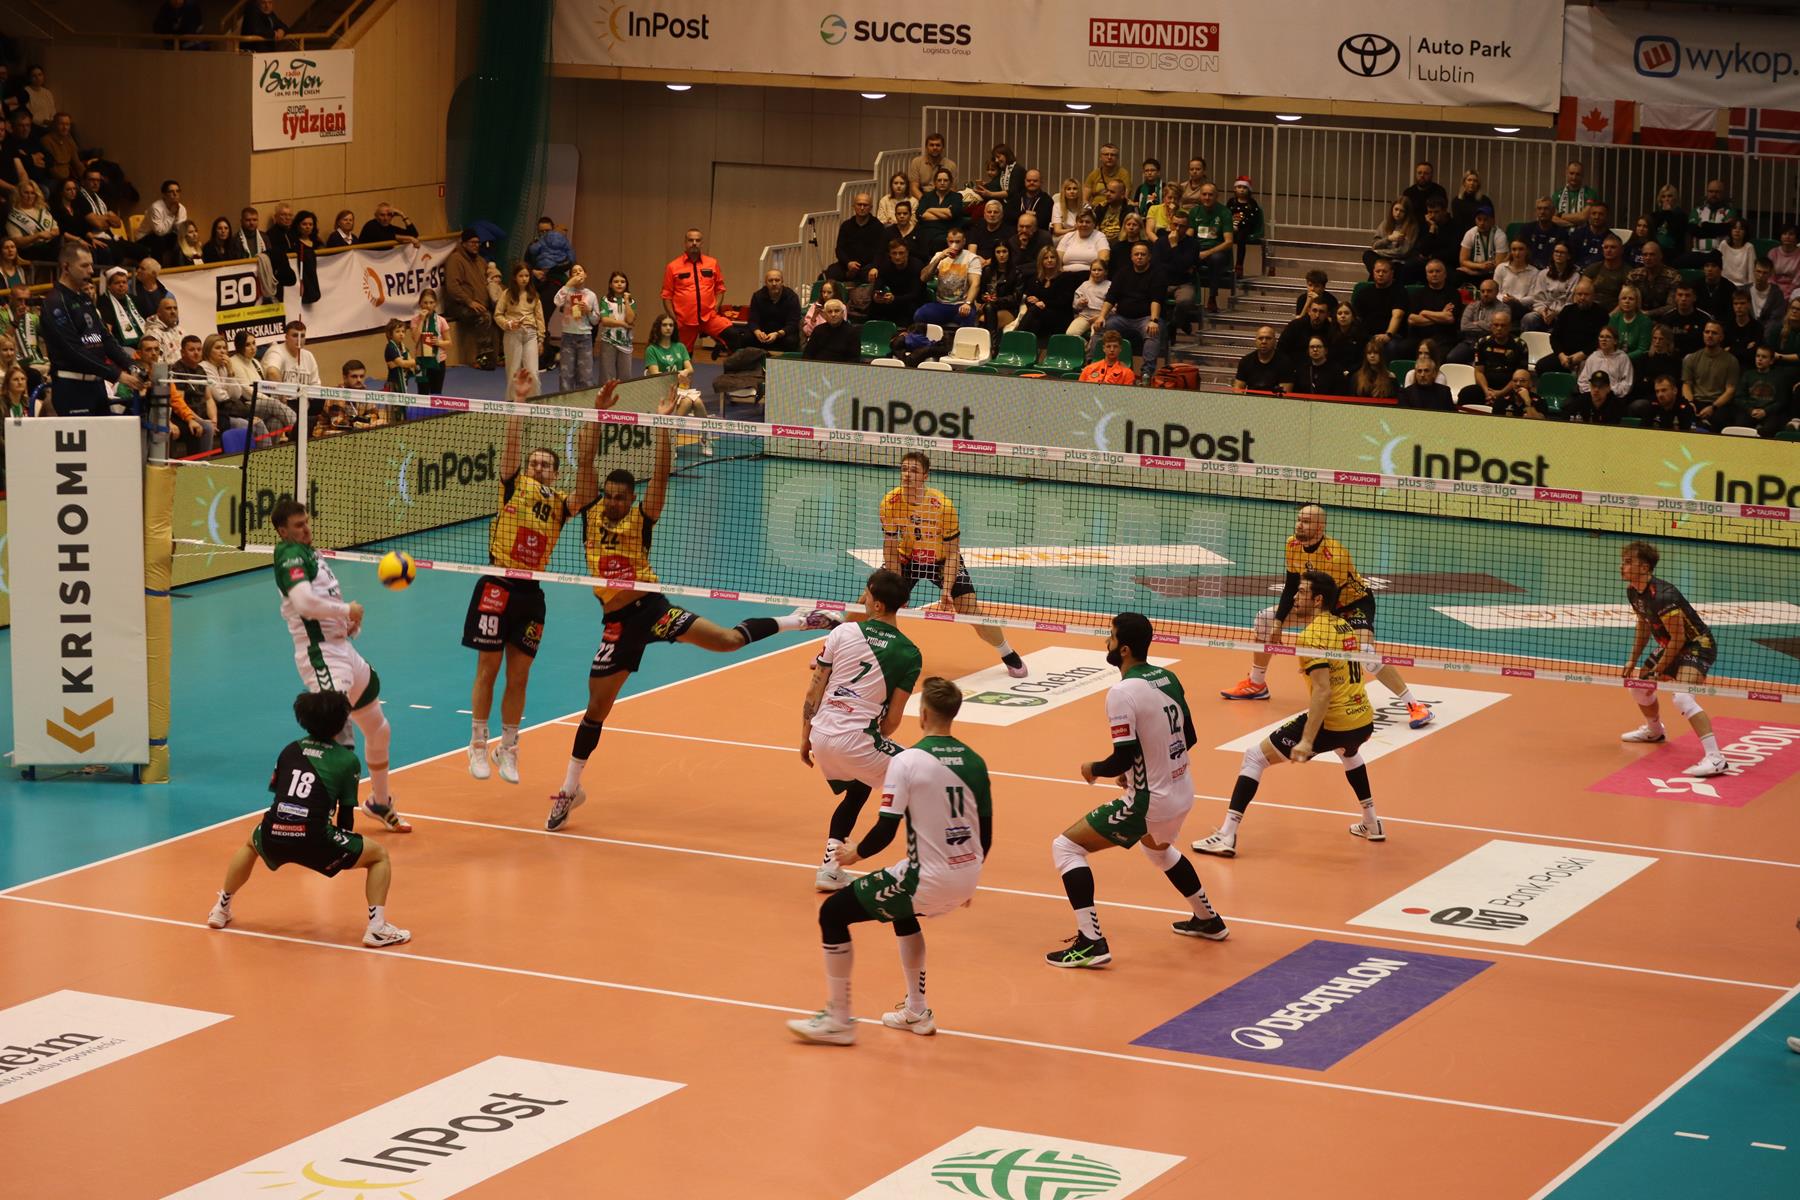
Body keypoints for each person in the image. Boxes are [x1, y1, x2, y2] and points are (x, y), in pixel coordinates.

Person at [545, 382, 838, 831]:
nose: (615, 501)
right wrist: (598, 413)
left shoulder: (643, 517)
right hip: (617, 624)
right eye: (610, 495)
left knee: (727, 641)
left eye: (622, 496)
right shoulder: (590, 513)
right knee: (596, 709)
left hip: (653, 610)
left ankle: (800, 619)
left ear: (632, 498)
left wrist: (664, 425)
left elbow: (661, 474)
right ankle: (571, 788)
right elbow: (585, 460)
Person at [787, 676, 989, 1045]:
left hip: (926, 878)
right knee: (902, 911)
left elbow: (885, 830)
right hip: (966, 874)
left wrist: (854, 853)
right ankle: (916, 1010)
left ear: (923, 714)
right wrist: (968, 878)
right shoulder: (975, 761)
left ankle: (838, 1020)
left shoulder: (907, 761)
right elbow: (985, 831)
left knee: (832, 913)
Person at [1046, 612, 1226, 968]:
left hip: (1149, 802)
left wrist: (1094, 769)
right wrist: (1140, 770)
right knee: (1158, 851)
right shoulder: (1167, 677)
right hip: (1182, 790)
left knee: (1065, 847)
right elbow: (1188, 737)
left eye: (1111, 637)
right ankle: (1208, 919)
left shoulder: (1122, 692)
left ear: (1124, 649)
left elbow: (1121, 757)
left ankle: (1091, 942)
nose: (1107, 642)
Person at [461, 370, 608, 785]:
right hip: (496, 585)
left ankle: (508, 748)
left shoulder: (561, 504)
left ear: (555, 474)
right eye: (534, 462)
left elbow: (587, 485)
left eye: (546, 464)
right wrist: (520, 401)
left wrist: (596, 418)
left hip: (530, 595)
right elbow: (511, 449)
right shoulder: (514, 486)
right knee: (487, 669)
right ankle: (477, 744)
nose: (538, 466)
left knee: (519, 676)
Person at [1197, 572, 1385, 858]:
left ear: (1318, 599)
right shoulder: (1345, 626)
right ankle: (1371, 822)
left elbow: (1322, 692)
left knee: (1254, 757)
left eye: (1302, 592)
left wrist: (1307, 740)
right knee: (1348, 753)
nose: (1294, 598)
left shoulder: (1310, 636)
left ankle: (1226, 834)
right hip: (1362, 720)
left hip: (1332, 723)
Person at [206, 690, 410, 947]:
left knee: (250, 844)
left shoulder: (289, 750)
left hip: (273, 830)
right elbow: (346, 817)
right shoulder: (347, 760)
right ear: (341, 723)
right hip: (315, 838)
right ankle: (377, 927)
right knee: (379, 856)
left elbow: (279, 793)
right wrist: (344, 848)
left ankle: (221, 908)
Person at [1220, 505, 1433, 730]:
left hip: (1351, 604)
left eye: (1306, 522)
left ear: (1320, 527)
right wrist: (1278, 622)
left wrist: (1314, 654)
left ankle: (1414, 705)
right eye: (1299, 520)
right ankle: (1257, 684)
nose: (1300, 525)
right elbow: (1291, 586)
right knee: (1265, 619)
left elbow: (1330, 607)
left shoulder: (1335, 556)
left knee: (1365, 653)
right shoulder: (1292, 544)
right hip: (1315, 602)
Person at [268, 499, 408, 832]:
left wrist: (347, 625)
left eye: (307, 521)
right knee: (337, 740)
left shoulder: (311, 553)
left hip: (342, 650)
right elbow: (304, 603)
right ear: (282, 531)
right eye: (298, 525)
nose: (306, 528)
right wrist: (346, 610)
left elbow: (322, 601)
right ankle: (319, 819)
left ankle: (379, 802)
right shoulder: (289, 554)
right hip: (321, 655)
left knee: (379, 729)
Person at [800, 568, 922, 892]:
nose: (863, 599)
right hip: (857, 740)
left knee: (859, 789)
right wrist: (869, 739)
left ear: (878, 605)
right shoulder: (909, 653)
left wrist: (804, 737)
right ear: (903, 604)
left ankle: (830, 869)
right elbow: (893, 720)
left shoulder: (842, 633)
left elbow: (814, 688)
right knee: (925, 773)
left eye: (866, 594)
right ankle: (925, 870)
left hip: (820, 734)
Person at [1618, 541, 1727, 777]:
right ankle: (1655, 731)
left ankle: (1715, 758)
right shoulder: (1633, 592)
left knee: (1683, 696)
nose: (1621, 567)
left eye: (1628, 562)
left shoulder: (1663, 596)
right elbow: (1643, 625)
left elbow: (1679, 639)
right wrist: (1632, 660)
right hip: (1672, 645)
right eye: (1623, 562)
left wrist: (1659, 668)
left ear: (1644, 567)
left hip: (1697, 646)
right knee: (1638, 687)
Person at [41, 243, 142, 416]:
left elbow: (105, 338)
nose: (91, 271)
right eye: (84, 265)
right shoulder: (55, 302)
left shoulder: (85, 299)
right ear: (66, 267)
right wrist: (117, 374)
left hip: (96, 385)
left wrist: (131, 365)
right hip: (72, 388)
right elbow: (73, 350)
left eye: (91, 265)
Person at [1092, 240, 1164, 372]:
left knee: (1153, 332)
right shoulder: (1122, 272)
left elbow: (1156, 299)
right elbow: (1111, 297)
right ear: (1131, 257)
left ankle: (1146, 372)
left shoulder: (1157, 274)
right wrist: (1101, 316)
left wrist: (1154, 320)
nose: (1139, 257)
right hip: (1121, 317)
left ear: (1149, 257)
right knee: (1100, 327)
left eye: (1143, 254)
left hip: (1146, 318)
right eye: (1136, 254)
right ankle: (1094, 365)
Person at [660, 227, 730, 356]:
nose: (694, 243)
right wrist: (674, 318)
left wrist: (715, 308)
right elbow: (666, 295)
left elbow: (720, 288)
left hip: (709, 317)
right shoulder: (673, 266)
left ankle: (722, 346)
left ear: (701, 243)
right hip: (684, 320)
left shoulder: (712, 263)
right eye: (690, 240)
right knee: (683, 357)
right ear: (685, 243)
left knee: (733, 335)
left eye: (697, 240)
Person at [444, 228, 497, 369]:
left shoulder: (481, 261)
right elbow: (452, 287)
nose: (476, 245)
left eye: (478, 242)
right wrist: (469, 301)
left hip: (480, 303)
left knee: (501, 313)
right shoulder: (455, 259)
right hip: (458, 305)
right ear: (464, 243)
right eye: (472, 242)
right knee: (484, 316)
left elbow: (490, 280)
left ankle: (501, 354)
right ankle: (483, 357)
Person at [1538, 278, 1606, 376]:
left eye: (1586, 294)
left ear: (1593, 296)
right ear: (1574, 295)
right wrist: (1561, 355)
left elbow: (1599, 341)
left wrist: (1582, 354)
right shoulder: (1567, 310)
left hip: (1588, 356)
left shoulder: (1601, 314)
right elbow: (1554, 337)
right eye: (1579, 294)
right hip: (1564, 356)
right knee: (1542, 366)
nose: (1582, 297)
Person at [726, 267, 803, 351]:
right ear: (766, 283)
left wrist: (777, 334)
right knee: (746, 338)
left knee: (791, 341)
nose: (774, 283)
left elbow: (793, 323)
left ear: (782, 282)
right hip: (763, 333)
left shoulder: (792, 297)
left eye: (777, 280)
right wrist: (757, 331)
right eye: (770, 280)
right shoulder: (757, 296)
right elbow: (752, 320)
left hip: (783, 333)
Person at [1683, 321, 1740, 429]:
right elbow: (1686, 384)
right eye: (1707, 332)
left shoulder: (1731, 361)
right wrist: (1690, 403)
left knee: (1719, 419)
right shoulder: (1692, 358)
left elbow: (1730, 390)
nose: (1709, 335)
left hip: (1718, 404)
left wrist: (1713, 407)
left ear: (1721, 337)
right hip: (1696, 401)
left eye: (1714, 333)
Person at [551, 265, 600, 390]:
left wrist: (588, 310)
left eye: (580, 271)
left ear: (585, 274)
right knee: (566, 375)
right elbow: (557, 302)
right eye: (574, 272)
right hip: (568, 336)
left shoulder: (591, 295)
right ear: (571, 276)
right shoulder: (567, 291)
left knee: (585, 375)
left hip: (585, 337)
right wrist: (568, 285)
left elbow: (595, 320)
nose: (578, 273)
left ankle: (584, 401)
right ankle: (565, 401)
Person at [1187, 182, 1233, 312]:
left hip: (1217, 250)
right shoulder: (1194, 212)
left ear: (1216, 196)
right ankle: (1190, 300)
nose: (1207, 197)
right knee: (1185, 258)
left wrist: (1207, 253)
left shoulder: (1224, 212)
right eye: (1204, 194)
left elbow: (1228, 242)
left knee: (1215, 259)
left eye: (1210, 195)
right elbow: (1189, 235)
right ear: (1200, 196)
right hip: (1198, 249)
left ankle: (1212, 297)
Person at [495, 262, 544, 384]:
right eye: (521, 276)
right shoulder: (507, 294)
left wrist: (541, 339)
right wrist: (508, 324)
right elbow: (498, 314)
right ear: (515, 277)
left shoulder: (534, 295)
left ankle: (533, 397)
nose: (524, 279)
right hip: (513, 333)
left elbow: (539, 318)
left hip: (530, 334)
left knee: (533, 373)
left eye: (527, 276)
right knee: (513, 372)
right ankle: (513, 397)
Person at [1731, 344, 1789, 437]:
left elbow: (1781, 401)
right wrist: (1750, 410)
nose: (1759, 359)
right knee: (1740, 426)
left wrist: (1765, 411)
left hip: (1769, 413)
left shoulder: (1779, 377)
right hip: (1750, 411)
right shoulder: (1748, 375)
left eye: (1764, 357)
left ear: (1771, 361)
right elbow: (1739, 398)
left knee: (1770, 427)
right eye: (1758, 356)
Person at [867, 239, 926, 328]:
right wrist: (876, 296)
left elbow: (915, 294)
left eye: (901, 253)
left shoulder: (917, 266)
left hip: (913, 301)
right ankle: (872, 330)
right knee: (874, 305)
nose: (897, 257)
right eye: (894, 253)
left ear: (907, 253)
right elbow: (878, 284)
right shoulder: (886, 265)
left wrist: (895, 299)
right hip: (895, 299)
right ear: (890, 254)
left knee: (910, 309)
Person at [1445, 278, 1504, 364]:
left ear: (1497, 292)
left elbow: (1494, 328)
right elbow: (1464, 326)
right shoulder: (1472, 306)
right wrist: (1485, 325)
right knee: (1452, 358)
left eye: (1489, 291)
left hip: (1492, 342)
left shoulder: (1503, 308)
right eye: (1483, 291)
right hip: (1470, 341)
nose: (1485, 294)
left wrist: (1478, 323)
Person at [828, 192, 883, 283]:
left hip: (868, 266)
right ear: (853, 206)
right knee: (830, 273)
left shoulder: (878, 226)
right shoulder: (846, 225)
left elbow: (880, 251)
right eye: (859, 204)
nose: (862, 208)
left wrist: (875, 267)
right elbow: (839, 249)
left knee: (875, 276)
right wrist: (848, 263)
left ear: (871, 207)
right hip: (847, 264)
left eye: (865, 205)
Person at [1353, 257, 1407, 350]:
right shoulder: (1364, 293)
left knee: (1391, 346)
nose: (1380, 274)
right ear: (1373, 272)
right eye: (1378, 271)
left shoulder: (1399, 292)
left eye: (1384, 272)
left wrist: (1388, 335)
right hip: (1367, 335)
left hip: (1391, 336)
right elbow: (1357, 318)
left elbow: (1397, 316)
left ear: (1391, 273)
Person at [1525, 242, 1579, 332]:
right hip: (1543, 312)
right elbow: (1538, 299)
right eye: (1556, 251)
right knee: (1529, 318)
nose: (1558, 254)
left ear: (1568, 256)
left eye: (1562, 252)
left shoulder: (1575, 276)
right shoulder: (1543, 274)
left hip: (1563, 313)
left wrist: (1555, 313)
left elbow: (1571, 302)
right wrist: (1543, 311)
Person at [594, 270, 635, 383]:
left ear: (626, 284)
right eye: (616, 281)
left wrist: (626, 301)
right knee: (607, 376)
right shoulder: (605, 300)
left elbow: (630, 319)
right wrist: (623, 324)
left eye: (622, 281)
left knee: (625, 376)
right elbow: (605, 320)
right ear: (610, 285)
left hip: (625, 342)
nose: (619, 284)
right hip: (609, 341)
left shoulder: (631, 301)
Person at [915, 168, 965, 257]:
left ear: (950, 182)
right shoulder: (927, 196)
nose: (942, 183)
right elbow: (921, 214)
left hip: (946, 231)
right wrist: (945, 213)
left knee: (940, 241)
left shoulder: (956, 197)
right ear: (935, 182)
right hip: (926, 230)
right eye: (939, 180)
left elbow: (952, 214)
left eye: (945, 180)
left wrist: (930, 209)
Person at [1363, 197, 1417, 278]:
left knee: (1391, 267)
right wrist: (1389, 239)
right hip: (1383, 259)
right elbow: (1375, 245)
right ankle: (1380, 276)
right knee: (1367, 255)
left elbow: (1403, 252)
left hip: (1398, 261)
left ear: (1406, 213)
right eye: (1396, 209)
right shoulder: (1385, 223)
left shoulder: (1412, 227)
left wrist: (1379, 252)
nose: (1398, 213)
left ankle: (1379, 277)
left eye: (1402, 211)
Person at [410, 288, 449, 396]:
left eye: (431, 302)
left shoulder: (441, 321)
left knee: (436, 393)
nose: (428, 306)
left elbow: (449, 343)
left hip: (438, 362)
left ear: (435, 304)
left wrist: (439, 343)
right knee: (422, 393)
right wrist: (422, 320)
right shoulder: (415, 321)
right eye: (425, 302)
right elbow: (415, 339)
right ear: (420, 304)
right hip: (421, 363)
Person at [1577, 325, 1632, 400]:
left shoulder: (1623, 358)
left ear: (1615, 341)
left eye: (1608, 337)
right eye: (1601, 337)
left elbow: (1626, 383)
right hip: (1592, 397)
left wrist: (1607, 392)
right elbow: (1582, 381)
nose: (1604, 339)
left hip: (1613, 397)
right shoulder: (1593, 357)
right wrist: (1594, 392)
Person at [261, 320, 320, 386]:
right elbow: (272, 373)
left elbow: (315, 384)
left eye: (302, 336)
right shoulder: (276, 351)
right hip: (278, 392)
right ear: (286, 337)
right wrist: (284, 392)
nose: (299, 339)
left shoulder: (309, 356)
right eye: (295, 335)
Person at [1630, 372, 1696, 431]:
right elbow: (1643, 431)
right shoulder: (1652, 406)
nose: (1660, 395)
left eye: (1664, 390)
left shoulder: (1684, 408)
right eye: (1657, 391)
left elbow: (1689, 435)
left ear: (1675, 390)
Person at [1456, 205, 1504, 284]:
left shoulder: (1500, 236)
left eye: (1485, 220)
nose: (1482, 223)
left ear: (1492, 221)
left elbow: (1499, 265)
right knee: (1458, 274)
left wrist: (1477, 272)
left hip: (1492, 274)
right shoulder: (1470, 233)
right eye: (1479, 219)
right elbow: (1463, 261)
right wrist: (1480, 266)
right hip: (1474, 270)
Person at [802, 297, 859, 362]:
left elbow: (854, 359)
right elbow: (808, 355)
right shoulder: (818, 330)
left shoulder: (852, 332)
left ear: (842, 313)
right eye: (830, 312)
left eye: (836, 311)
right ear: (825, 315)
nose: (833, 314)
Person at [521, 216, 570, 292]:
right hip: (536, 283)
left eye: (547, 231)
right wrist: (534, 272)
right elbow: (525, 265)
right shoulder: (532, 245)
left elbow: (568, 264)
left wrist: (550, 268)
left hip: (556, 281)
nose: (544, 234)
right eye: (541, 231)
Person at [642, 313, 692, 385]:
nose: (668, 328)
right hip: (660, 386)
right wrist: (675, 377)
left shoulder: (680, 347)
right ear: (658, 327)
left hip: (679, 386)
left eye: (671, 325)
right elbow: (655, 374)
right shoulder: (651, 349)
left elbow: (690, 369)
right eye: (664, 325)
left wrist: (685, 371)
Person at [1234, 325, 1284, 393]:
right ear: (1256, 341)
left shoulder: (1284, 362)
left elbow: (1285, 393)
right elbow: (1238, 388)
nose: (1264, 341)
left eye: (1268, 338)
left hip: (1274, 399)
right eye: (1260, 338)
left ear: (1275, 341)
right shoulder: (1246, 361)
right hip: (1250, 399)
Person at [1523, 197, 1568, 269]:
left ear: (1553, 211)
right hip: (1528, 269)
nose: (1542, 212)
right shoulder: (1527, 229)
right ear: (1536, 211)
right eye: (1539, 208)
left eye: (1546, 209)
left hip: (1551, 270)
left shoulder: (1561, 232)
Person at [906, 132, 955, 198]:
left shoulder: (951, 165)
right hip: (921, 197)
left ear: (943, 147)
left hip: (943, 198)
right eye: (931, 145)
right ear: (926, 147)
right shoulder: (916, 162)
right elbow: (913, 187)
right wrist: (925, 201)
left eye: (938, 145)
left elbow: (952, 189)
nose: (935, 148)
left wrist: (942, 201)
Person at [1550, 160, 1597, 228]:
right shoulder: (1557, 194)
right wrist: (1572, 224)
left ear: (1582, 175)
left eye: (1578, 174)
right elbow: (1552, 218)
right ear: (1566, 174)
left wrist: (1560, 215)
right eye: (1571, 173)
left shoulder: (1590, 193)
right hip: (1562, 232)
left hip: (1583, 233)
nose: (1574, 177)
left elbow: (1583, 217)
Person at [1082, 142, 1129, 208]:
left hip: (1114, 209)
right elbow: (1084, 199)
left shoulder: (1124, 174)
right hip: (1095, 210)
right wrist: (1089, 209)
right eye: (1106, 154)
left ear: (1117, 158)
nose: (1109, 157)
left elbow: (1124, 197)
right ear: (1100, 157)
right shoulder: (1094, 174)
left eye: (1113, 155)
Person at [1610, 285, 1652, 358]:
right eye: (1624, 298)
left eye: (1631, 299)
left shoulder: (1645, 321)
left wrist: (1623, 358)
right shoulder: (1615, 318)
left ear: (1637, 302)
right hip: (1614, 358)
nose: (1627, 301)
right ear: (1619, 301)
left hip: (1635, 361)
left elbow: (1642, 349)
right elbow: (1610, 342)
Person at [1008, 168, 1053, 234]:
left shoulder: (1047, 200)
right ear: (1024, 181)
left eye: (1035, 181)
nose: (1031, 183)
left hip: (1038, 233)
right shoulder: (1016, 197)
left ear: (1041, 182)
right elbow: (1009, 216)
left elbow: (1043, 220)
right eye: (1028, 180)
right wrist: (1028, 213)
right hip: (1016, 232)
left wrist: (1020, 214)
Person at [381, 318, 417, 395]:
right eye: (397, 331)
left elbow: (410, 362)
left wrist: (399, 364)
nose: (401, 334)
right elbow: (403, 363)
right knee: (395, 402)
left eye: (403, 331)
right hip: (394, 383)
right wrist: (419, 360)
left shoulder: (403, 348)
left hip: (404, 380)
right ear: (390, 334)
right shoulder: (390, 347)